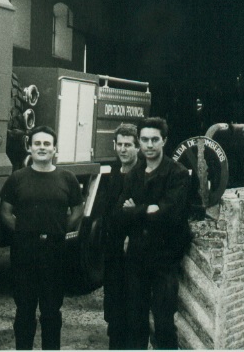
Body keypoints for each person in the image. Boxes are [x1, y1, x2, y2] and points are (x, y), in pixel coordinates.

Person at [0, 125, 84, 350]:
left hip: (55, 252)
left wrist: (59, 229)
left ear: (55, 148)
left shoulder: (67, 178)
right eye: (37, 143)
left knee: (51, 311)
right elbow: (5, 212)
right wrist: (24, 230)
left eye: (47, 144)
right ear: (30, 147)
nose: (42, 148)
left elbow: (77, 209)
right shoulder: (17, 178)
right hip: (24, 253)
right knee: (24, 310)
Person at [114, 117, 191, 349]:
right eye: (144, 140)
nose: (148, 145)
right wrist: (149, 209)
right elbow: (119, 215)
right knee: (136, 323)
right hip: (136, 259)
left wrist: (135, 209)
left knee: (164, 324)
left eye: (154, 140)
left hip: (164, 260)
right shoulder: (134, 173)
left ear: (164, 141)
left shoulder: (177, 174)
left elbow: (170, 215)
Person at [93, 123, 140, 349]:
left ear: (137, 147)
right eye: (120, 144)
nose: (123, 149)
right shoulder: (112, 172)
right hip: (112, 252)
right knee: (113, 308)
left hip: (132, 254)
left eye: (128, 145)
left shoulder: (143, 176)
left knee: (133, 310)